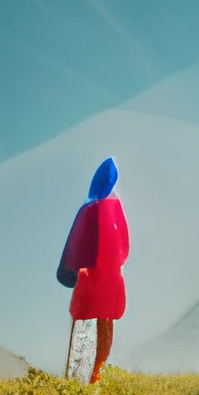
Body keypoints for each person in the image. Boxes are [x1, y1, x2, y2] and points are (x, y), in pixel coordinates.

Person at [56, 157, 131, 379]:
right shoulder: (107, 209)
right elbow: (123, 247)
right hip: (102, 282)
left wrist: (70, 272)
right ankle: (94, 373)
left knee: (91, 324)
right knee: (100, 325)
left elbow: (75, 249)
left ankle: (90, 374)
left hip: (95, 283)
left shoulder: (91, 209)